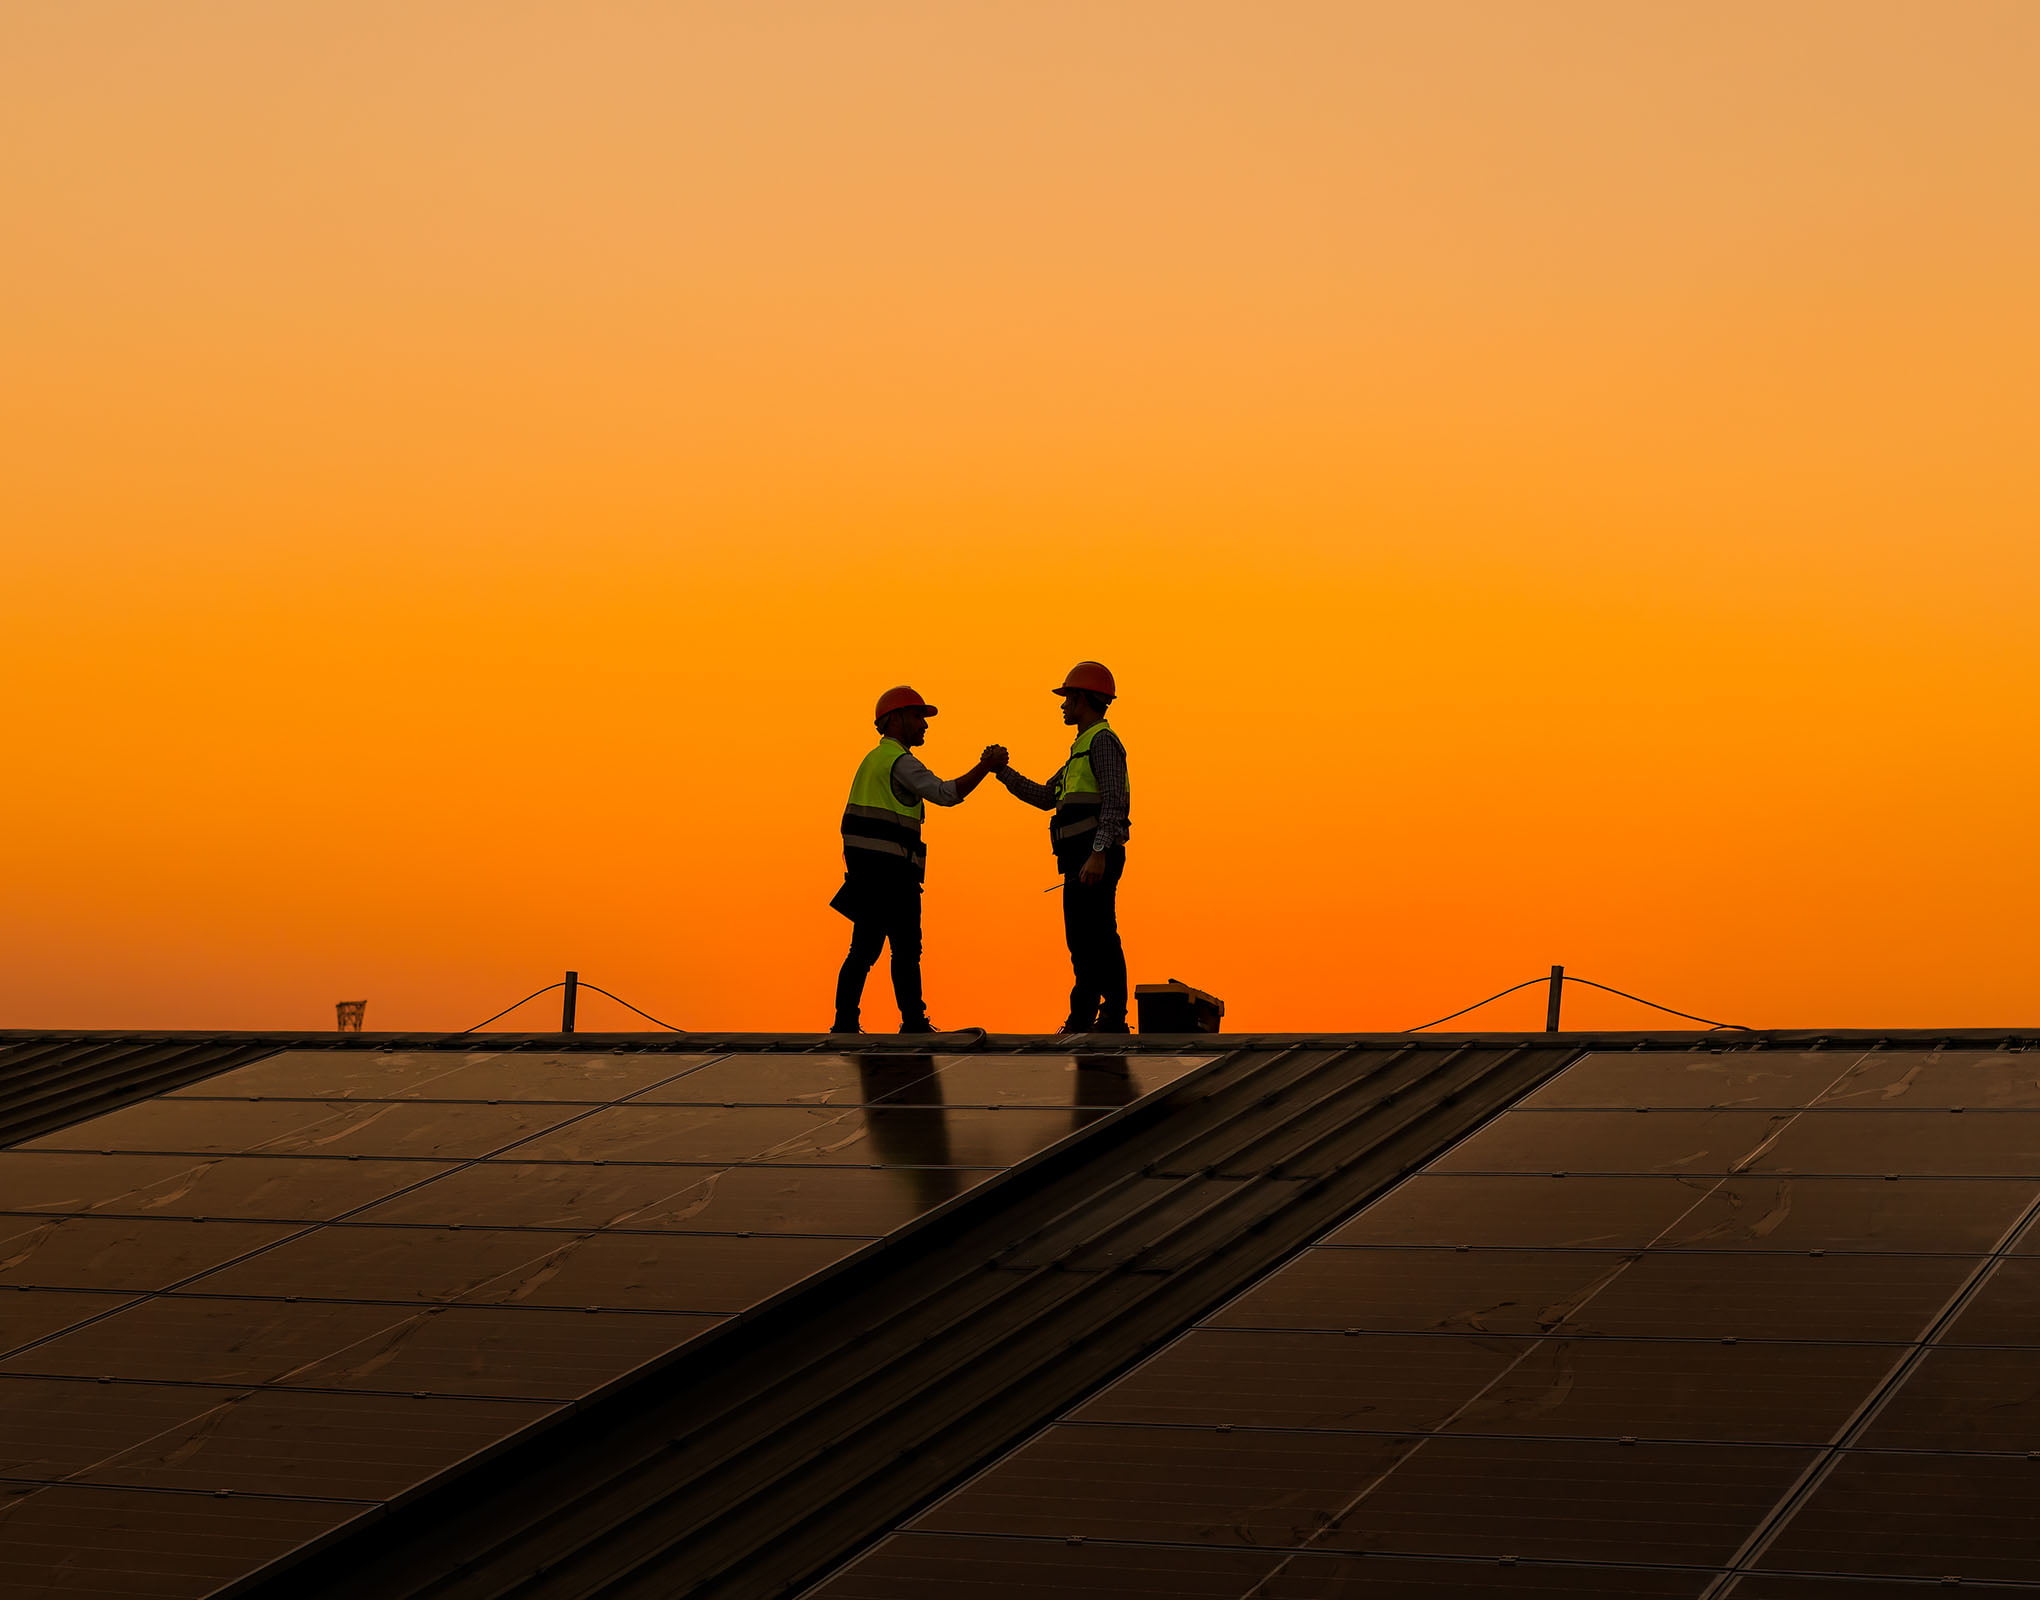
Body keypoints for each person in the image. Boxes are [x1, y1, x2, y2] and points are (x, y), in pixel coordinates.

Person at [831, 685, 995, 1034]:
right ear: (895, 719)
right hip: (891, 876)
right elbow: (945, 794)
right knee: (904, 951)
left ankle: (845, 1022)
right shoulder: (898, 761)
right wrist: (986, 766)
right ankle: (913, 1022)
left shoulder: (872, 761)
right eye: (918, 716)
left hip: (868, 874)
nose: (924, 724)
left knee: (863, 950)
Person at [984, 662, 1131, 1034]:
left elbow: (1114, 802)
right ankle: (1085, 1017)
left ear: (1083, 698)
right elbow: (1046, 796)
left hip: (1094, 857)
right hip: (1080, 860)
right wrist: (1002, 772)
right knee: (1082, 940)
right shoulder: (1080, 749)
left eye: (1067, 697)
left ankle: (1109, 1017)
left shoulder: (1102, 742)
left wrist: (1098, 853)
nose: (1063, 705)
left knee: (1098, 935)